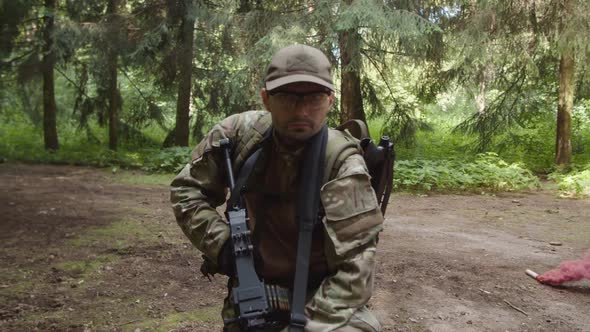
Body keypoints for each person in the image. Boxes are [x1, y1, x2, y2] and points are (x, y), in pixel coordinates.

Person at [170, 44, 383, 332]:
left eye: (315, 97)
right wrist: (223, 245)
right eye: (287, 97)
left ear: (330, 101)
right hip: (254, 292)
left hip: (326, 296)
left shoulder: (342, 163)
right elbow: (186, 191)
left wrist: (307, 327)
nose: (302, 110)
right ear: (266, 99)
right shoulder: (236, 136)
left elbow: (355, 272)